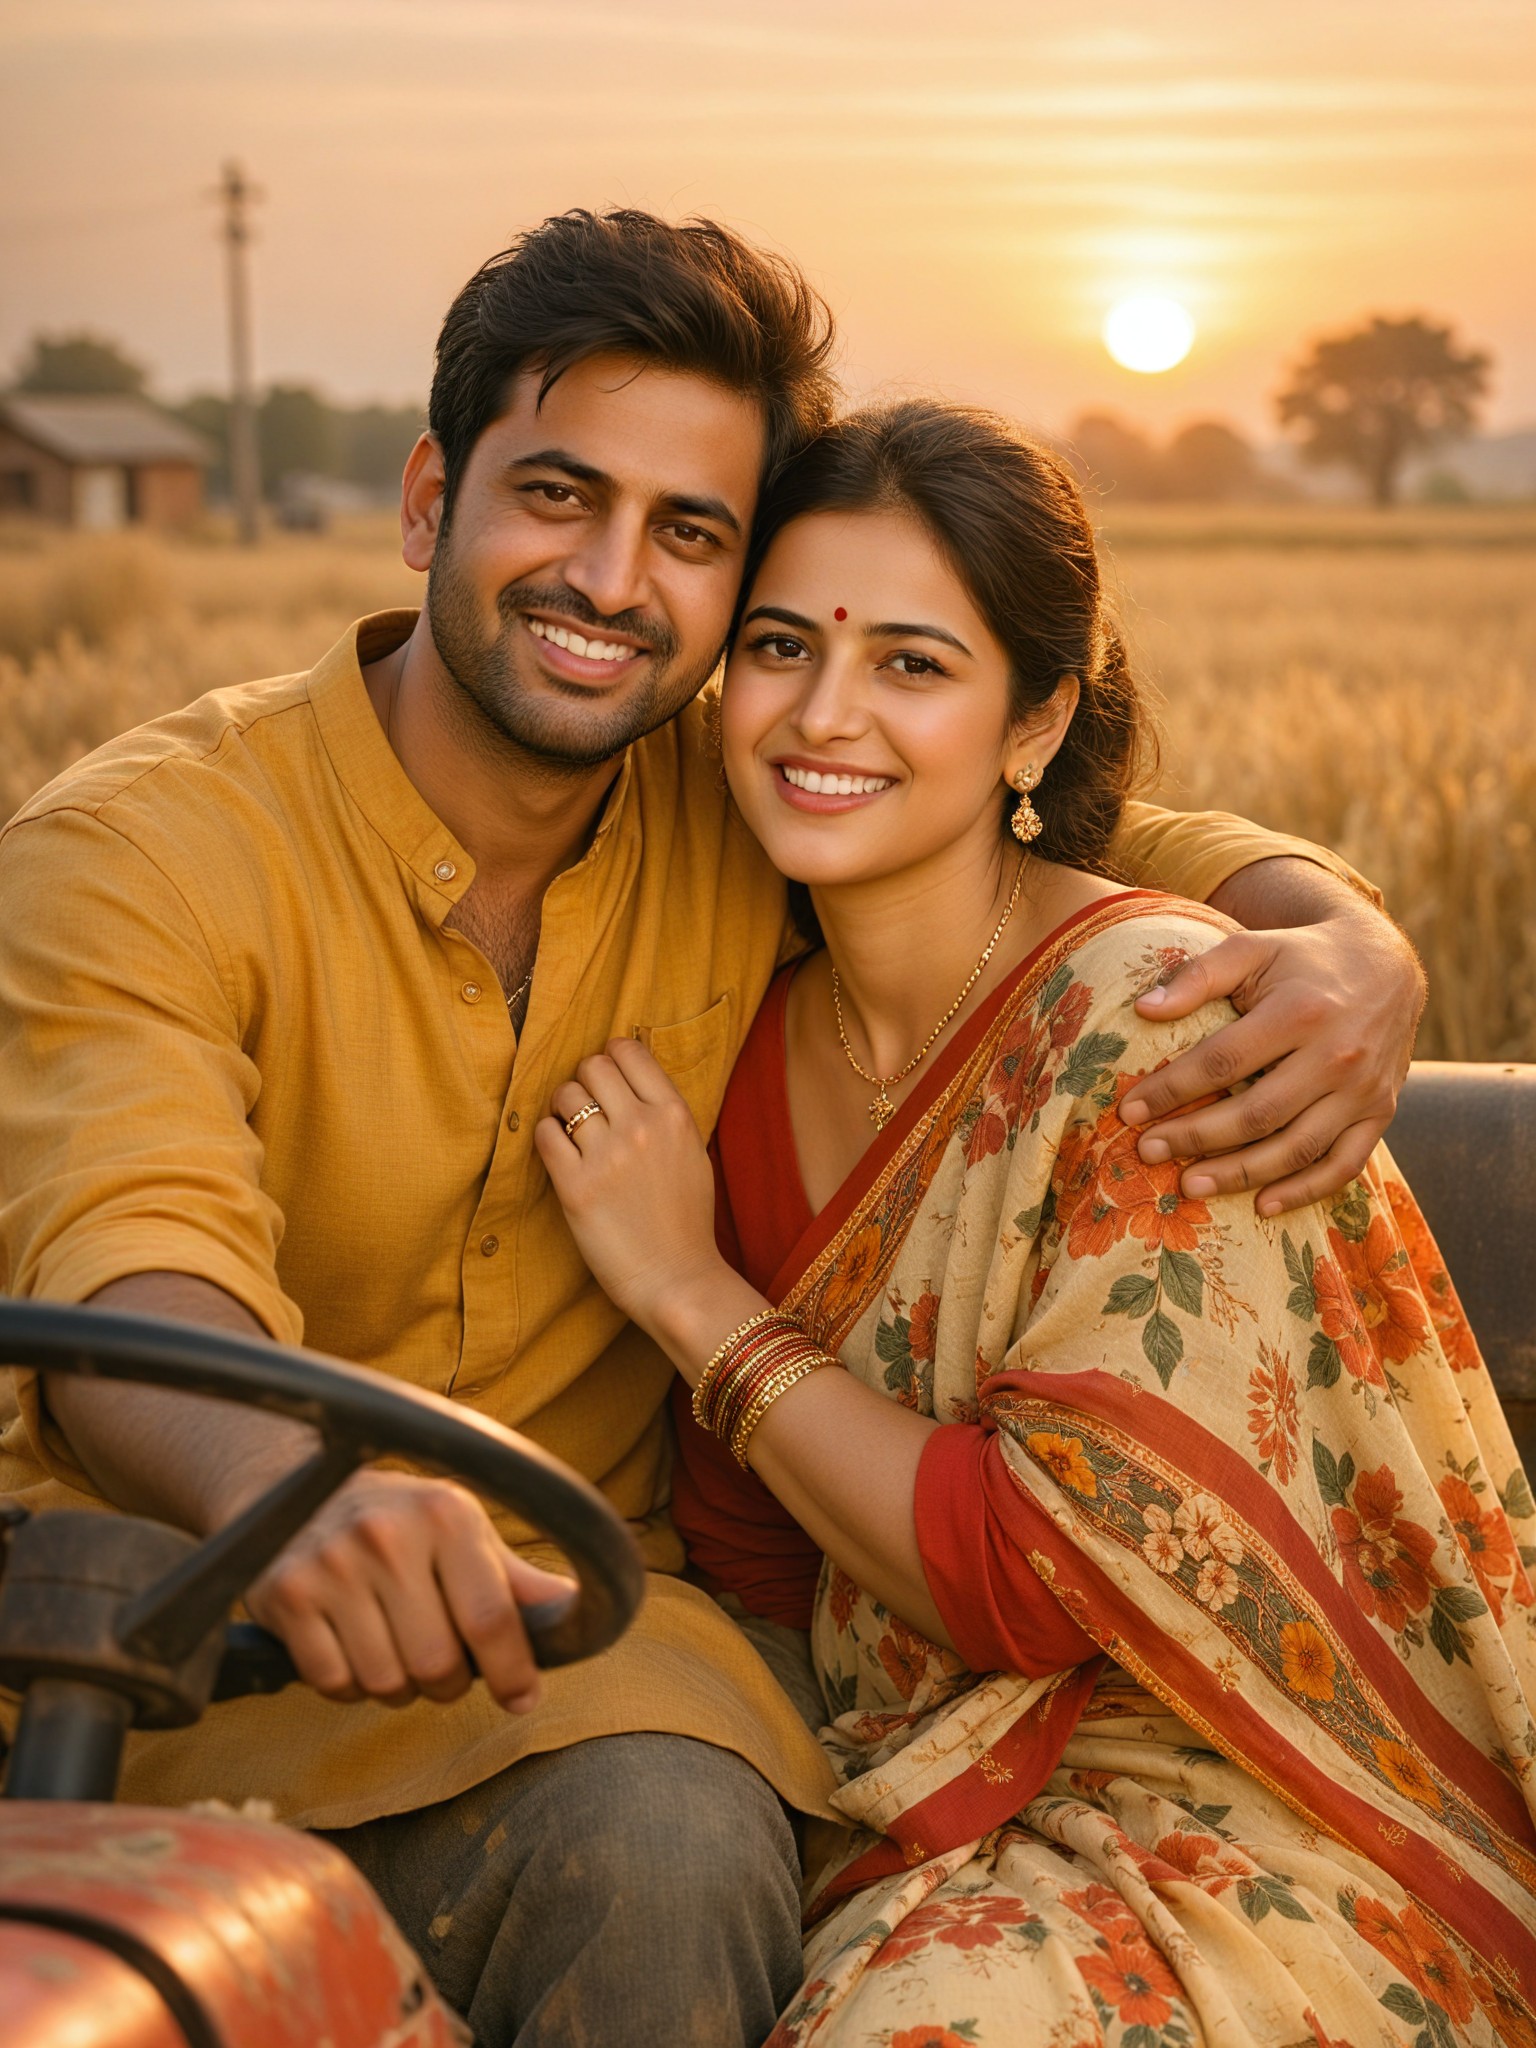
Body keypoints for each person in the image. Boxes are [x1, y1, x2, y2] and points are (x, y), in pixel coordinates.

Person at [0, 210, 1423, 2048]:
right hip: (176, 1656)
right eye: (558, 495)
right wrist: (296, 1492)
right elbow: (134, 1267)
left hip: (583, 1668)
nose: (609, 579)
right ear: (432, 499)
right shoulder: (136, 859)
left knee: (667, 1851)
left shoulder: (737, 779)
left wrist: (1339, 925)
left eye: (688, 536)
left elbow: (1026, 810)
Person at [537, 399, 1536, 2046]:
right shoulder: (743, 1040)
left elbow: (1033, 1580)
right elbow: (761, 1555)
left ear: (1035, 721)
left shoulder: (1152, 1018)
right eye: (781, 647)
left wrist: (683, 1289)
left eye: (914, 666)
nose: (823, 715)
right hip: (917, 1784)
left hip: (1251, 1792)